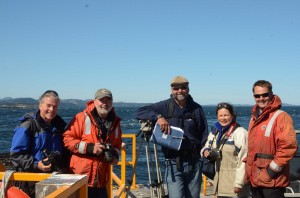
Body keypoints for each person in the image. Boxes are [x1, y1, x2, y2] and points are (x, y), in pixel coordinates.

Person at [136, 76, 208, 198]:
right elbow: (140, 111)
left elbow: (204, 134)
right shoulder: (164, 106)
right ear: (171, 90)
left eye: (183, 88)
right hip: (173, 163)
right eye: (176, 88)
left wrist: (205, 155)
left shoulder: (197, 108)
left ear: (188, 89)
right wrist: (158, 117)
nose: (180, 91)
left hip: (194, 163)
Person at [63, 88, 122, 198]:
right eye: (101, 100)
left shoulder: (115, 122)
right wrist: (89, 148)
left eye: (108, 100)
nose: (105, 103)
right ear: (94, 101)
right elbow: (67, 139)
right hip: (80, 179)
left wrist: (114, 155)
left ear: (112, 102)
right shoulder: (81, 117)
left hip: (101, 181)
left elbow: (117, 145)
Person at [245, 80, 298, 198]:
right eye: (257, 96)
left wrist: (270, 172)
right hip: (256, 179)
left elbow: (288, 147)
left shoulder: (281, 117)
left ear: (271, 94)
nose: (261, 98)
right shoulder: (254, 117)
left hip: (273, 181)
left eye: (265, 94)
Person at [10, 90, 68, 197]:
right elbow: (16, 155)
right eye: (48, 105)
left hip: (54, 179)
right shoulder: (27, 126)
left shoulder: (60, 127)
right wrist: (37, 165)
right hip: (31, 181)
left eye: (55, 106)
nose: (51, 109)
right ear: (40, 105)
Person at [201, 102, 249, 198]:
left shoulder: (240, 133)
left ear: (232, 116)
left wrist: (239, 183)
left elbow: (245, 159)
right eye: (220, 115)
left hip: (233, 184)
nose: (223, 118)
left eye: (226, 115)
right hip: (219, 183)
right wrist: (205, 151)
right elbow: (205, 147)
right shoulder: (216, 132)